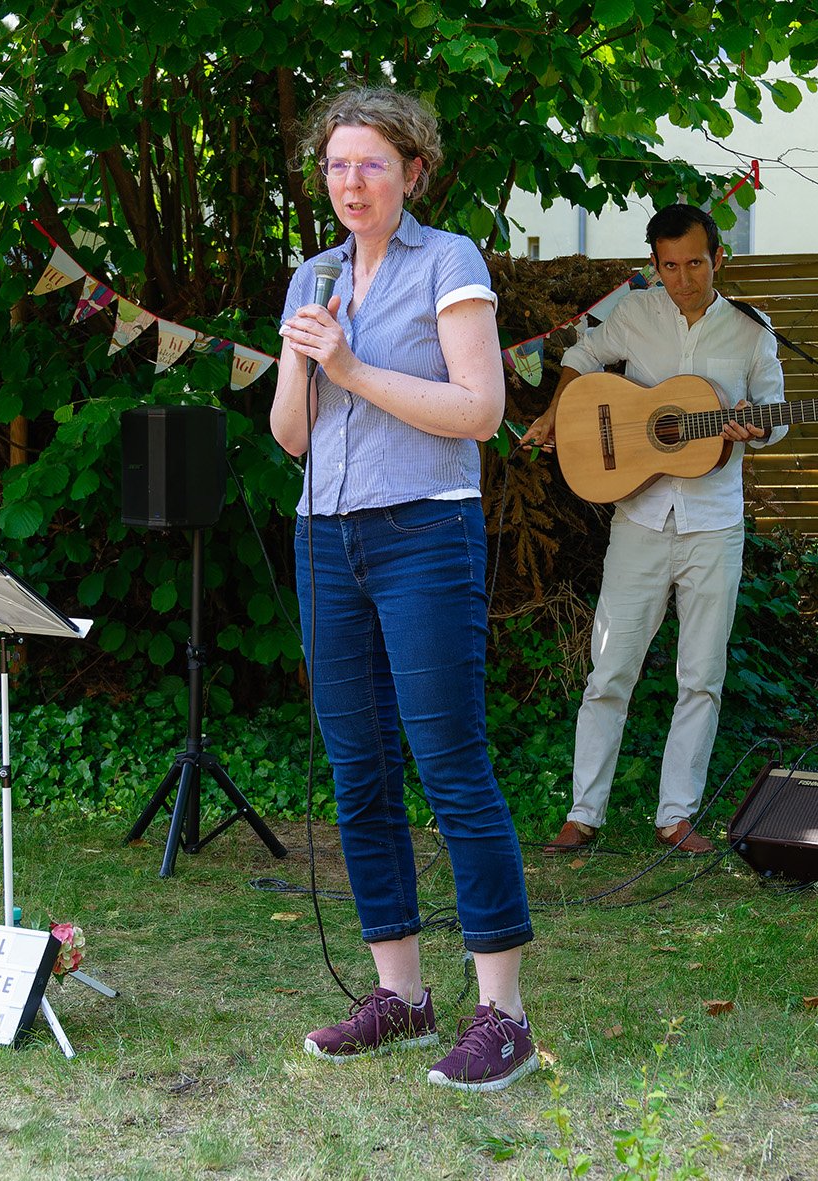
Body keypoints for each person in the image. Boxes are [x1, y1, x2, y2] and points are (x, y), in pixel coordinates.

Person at [270, 87, 539, 1092]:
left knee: (451, 764)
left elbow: (478, 410)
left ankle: (502, 1013)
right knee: (359, 771)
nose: (351, 182)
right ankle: (402, 993)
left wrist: (350, 363)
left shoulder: (450, 262)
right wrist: (306, 361)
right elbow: (290, 437)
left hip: (424, 531)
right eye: (336, 165)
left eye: (371, 163)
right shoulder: (314, 273)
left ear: (413, 171)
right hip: (322, 540)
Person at [519, 204, 785, 856]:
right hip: (638, 518)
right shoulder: (634, 314)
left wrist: (758, 424)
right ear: (655, 264)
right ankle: (584, 812)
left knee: (701, 675)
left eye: (695, 263)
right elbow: (581, 354)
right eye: (670, 266)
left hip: (713, 525)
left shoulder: (752, 332)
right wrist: (560, 410)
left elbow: (777, 415)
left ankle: (676, 816)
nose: (684, 278)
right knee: (608, 670)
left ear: (718, 257)